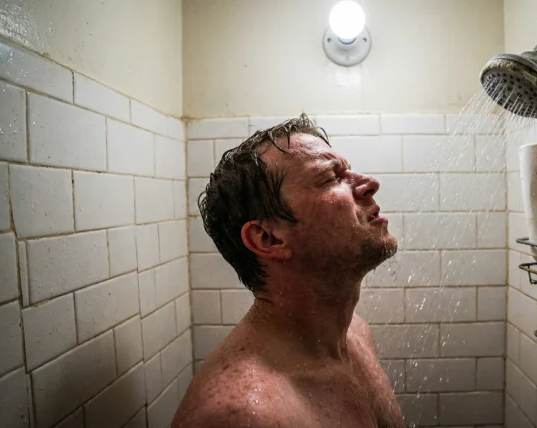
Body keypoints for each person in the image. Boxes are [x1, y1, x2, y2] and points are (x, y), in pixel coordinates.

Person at [172, 113, 405, 427]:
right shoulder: (241, 415)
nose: (370, 184)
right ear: (268, 238)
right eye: (331, 177)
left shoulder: (356, 334)